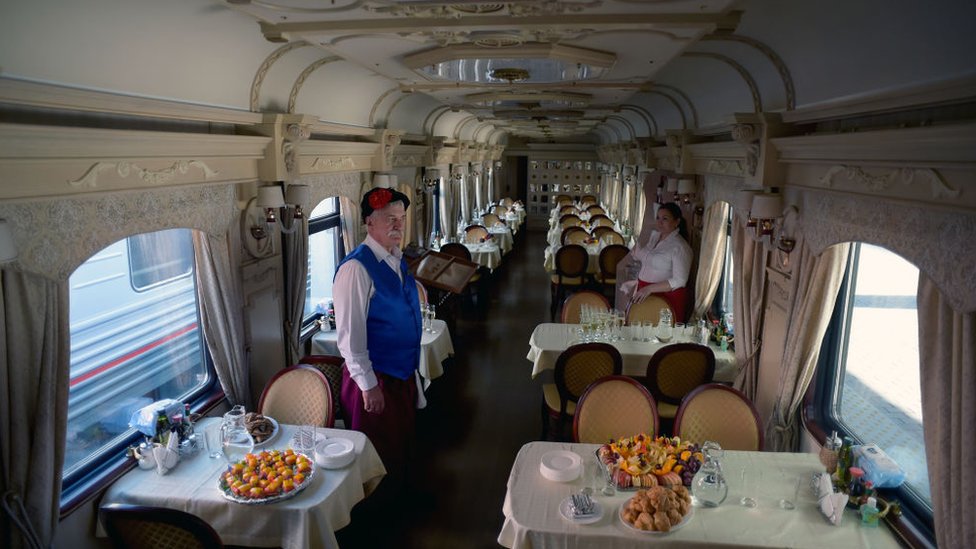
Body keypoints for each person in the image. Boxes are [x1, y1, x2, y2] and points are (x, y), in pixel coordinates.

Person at [333, 186, 422, 488]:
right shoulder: (356, 268)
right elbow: (349, 337)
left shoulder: (397, 261)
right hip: (374, 380)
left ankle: (397, 513)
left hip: (400, 376)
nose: (398, 225)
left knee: (398, 452)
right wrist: (369, 386)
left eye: (402, 218)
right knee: (375, 461)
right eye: (389, 219)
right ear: (369, 223)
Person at [623, 202, 693, 322]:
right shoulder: (655, 237)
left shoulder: (680, 247)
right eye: (658, 218)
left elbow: (680, 280)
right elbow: (649, 258)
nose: (660, 222)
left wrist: (649, 288)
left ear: (677, 221)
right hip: (645, 292)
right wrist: (635, 249)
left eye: (665, 219)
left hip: (666, 297)